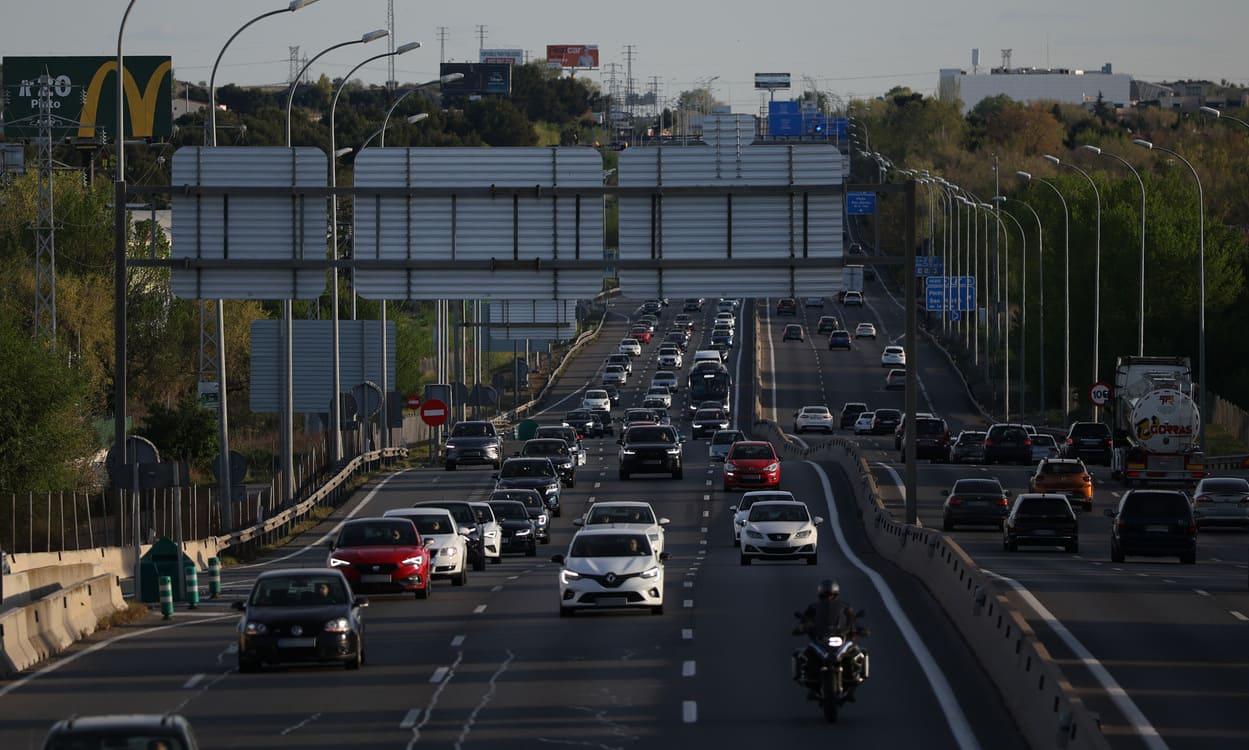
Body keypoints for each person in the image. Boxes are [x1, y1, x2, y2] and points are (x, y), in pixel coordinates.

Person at [795, 580, 859, 700]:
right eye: (825, 595)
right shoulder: (813, 607)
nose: (828, 598)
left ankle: (851, 687)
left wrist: (857, 628)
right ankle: (811, 685)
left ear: (835, 595)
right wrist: (802, 626)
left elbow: (852, 619)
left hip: (840, 636)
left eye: (831, 595)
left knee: (856, 653)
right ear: (821, 595)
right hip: (820, 638)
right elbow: (805, 619)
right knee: (805, 654)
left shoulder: (845, 606)